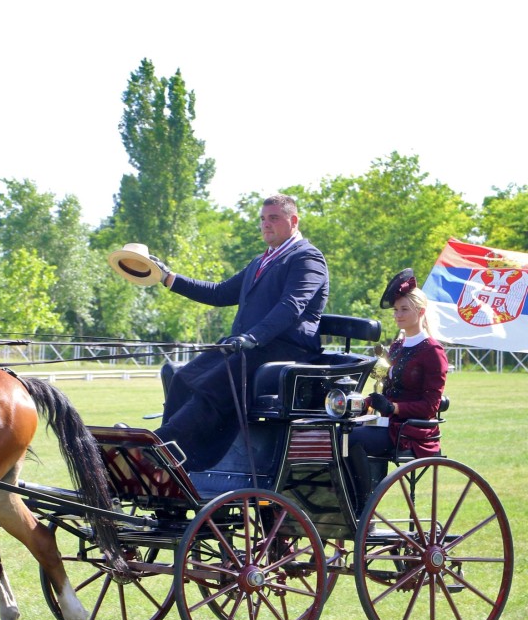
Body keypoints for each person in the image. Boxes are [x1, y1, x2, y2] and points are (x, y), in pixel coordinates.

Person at [148, 194, 329, 471]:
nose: (265, 224)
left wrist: (253, 337)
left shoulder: (307, 258)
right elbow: (220, 293)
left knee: (214, 385)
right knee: (184, 377)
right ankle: (170, 456)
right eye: (262, 219)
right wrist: (169, 278)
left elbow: (291, 306)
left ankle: (162, 447)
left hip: (284, 349)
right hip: (247, 347)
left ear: (293, 221)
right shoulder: (261, 261)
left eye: (273, 218)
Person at [348, 269, 448, 509]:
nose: (398, 315)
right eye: (396, 310)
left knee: (352, 439)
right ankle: (344, 502)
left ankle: (363, 506)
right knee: (337, 432)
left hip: (412, 431)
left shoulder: (433, 352)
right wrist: (370, 402)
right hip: (389, 425)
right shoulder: (397, 347)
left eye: (404, 309)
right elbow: (386, 387)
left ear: (420, 312)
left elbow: (430, 406)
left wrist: (393, 407)